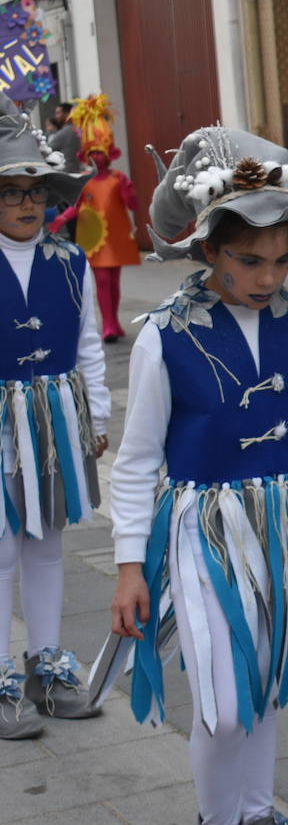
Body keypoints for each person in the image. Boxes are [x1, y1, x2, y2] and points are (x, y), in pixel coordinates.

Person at [108, 125, 288, 825]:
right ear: (207, 249)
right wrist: (126, 565)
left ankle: (258, 811)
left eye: (281, 262)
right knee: (225, 705)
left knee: (264, 682)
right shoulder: (165, 335)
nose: (268, 278)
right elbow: (138, 459)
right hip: (202, 531)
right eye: (249, 260)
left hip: (286, 525)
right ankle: (218, 817)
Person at [0, 95, 108, 740]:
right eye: (10, 192)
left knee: (45, 540)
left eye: (34, 191)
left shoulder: (71, 261)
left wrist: (96, 415)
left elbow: (90, 340)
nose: (24, 204)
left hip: (54, 416)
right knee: (1, 546)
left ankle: (46, 664)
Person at [49, 94, 141, 341]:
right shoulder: (85, 182)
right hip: (96, 239)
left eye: (102, 153)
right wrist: (59, 220)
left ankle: (114, 320)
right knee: (101, 280)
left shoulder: (118, 179)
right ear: (87, 156)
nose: (98, 157)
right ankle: (108, 323)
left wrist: (129, 191)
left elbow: (132, 204)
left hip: (117, 236)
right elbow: (76, 208)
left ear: (110, 154)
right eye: (94, 153)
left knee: (113, 282)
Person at [46, 102, 82, 174]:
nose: (56, 116)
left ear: (67, 114)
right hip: (79, 172)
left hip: (67, 174)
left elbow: (46, 151)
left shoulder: (66, 131)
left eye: (58, 113)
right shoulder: (79, 129)